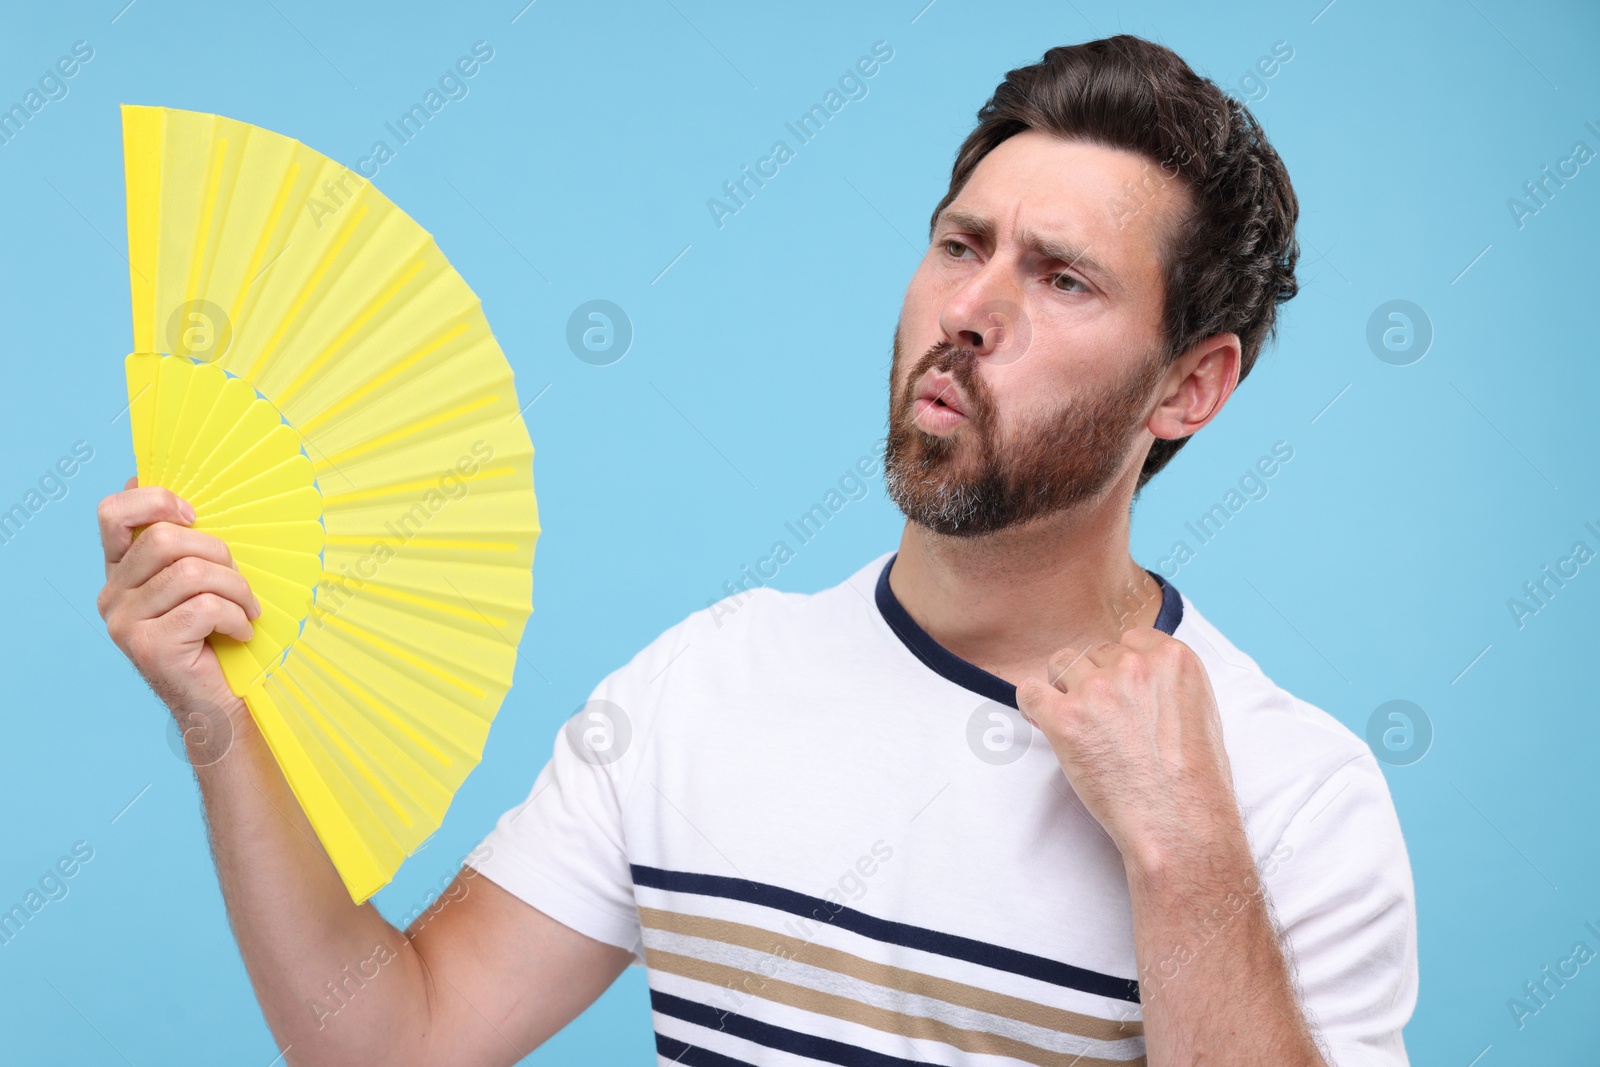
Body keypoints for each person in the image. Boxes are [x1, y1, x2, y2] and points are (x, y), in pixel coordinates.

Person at [95, 34, 1415, 1067]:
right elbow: (393, 1040)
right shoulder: (700, 688)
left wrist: (1183, 850)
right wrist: (221, 723)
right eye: (962, 246)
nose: (971, 309)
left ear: (1191, 387)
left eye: (1061, 278)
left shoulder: (1292, 795)